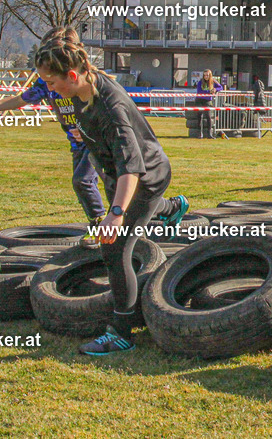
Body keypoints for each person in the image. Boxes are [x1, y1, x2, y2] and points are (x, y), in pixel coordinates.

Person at [33, 27, 188, 355]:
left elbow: (133, 169)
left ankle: (122, 333)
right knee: (130, 222)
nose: (48, 90)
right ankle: (171, 209)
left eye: (51, 83)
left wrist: (116, 215)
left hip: (145, 179)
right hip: (116, 174)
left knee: (114, 250)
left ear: (72, 75)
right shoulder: (78, 89)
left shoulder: (112, 109)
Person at [0, 26, 106, 249]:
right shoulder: (47, 83)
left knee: (85, 181)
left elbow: (106, 110)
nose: (51, 84)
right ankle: (167, 207)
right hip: (78, 144)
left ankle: (101, 227)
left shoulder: (85, 81)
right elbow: (22, 98)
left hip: (98, 141)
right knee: (87, 184)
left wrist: (90, 129)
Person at [194, 69, 223, 138]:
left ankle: (209, 134)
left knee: (208, 116)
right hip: (199, 100)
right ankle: (199, 134)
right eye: (204, 75)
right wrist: (209, 91)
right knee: (199, 116)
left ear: (210, 75)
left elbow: (220, 87)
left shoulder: (213, 81)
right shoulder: (200, 82)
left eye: (207, 75)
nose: (206, 77)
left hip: (207, 101)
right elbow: (199, 91)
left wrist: (215, 89)